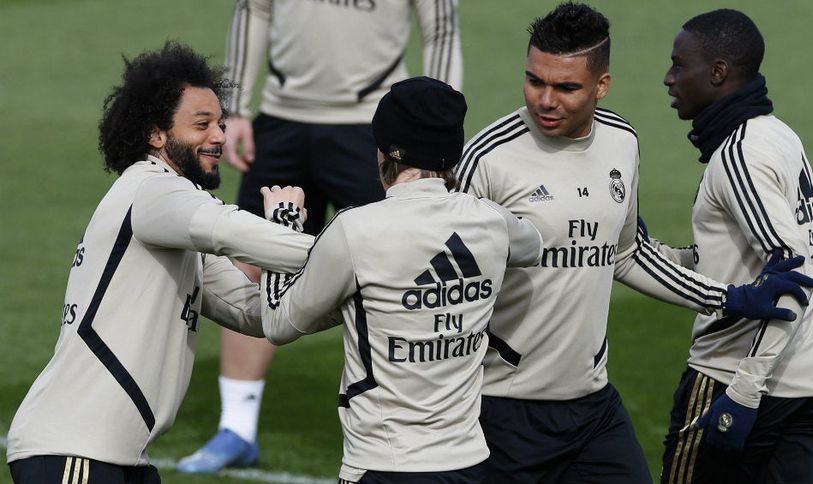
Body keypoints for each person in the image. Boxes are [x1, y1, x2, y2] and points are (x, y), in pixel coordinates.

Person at [452, 3, 813, 483]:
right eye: (535, 81)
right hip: (505, 408)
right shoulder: (487, 157)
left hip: (592, 407)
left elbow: (627, 255)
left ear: (601, 85)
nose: (546, 100)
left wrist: (728, 297)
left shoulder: (621, 142)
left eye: (566, 87)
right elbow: (447, 285)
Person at [5, 42, 313, 484]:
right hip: (75, 451)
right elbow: (230, 231)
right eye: (202, 124)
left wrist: (351, 289)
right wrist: (321, 237)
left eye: (222, 124)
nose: (219, 137)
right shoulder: (154, 191)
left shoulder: (173, 225)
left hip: (119, 457)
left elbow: (257, 314)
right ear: (156, 135)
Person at [178, 0, 464, 473]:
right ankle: (237, 428)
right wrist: (236, 109)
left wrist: (435, 128)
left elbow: (441, 28)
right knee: (251, 262)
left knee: (398, 264)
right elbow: (254, 11)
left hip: (374, 125)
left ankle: (410, 424)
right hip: (281, 120)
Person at [259, 76, 543, 483]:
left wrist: (281, 224)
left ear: (382, 151)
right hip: (470, 464)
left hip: (384, 464)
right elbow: (532, 246)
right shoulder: (492, 222)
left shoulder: (355, 229)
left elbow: (277, 322)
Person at [655, 9, 813, 483]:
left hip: (733, 379)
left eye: (679, 65)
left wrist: (745, 391)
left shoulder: (738, 155)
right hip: (808, 381)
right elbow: (741, 258)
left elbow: (794, 271)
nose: (669, 78)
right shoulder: (778, 134)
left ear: (717, 72)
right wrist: (652, 257)